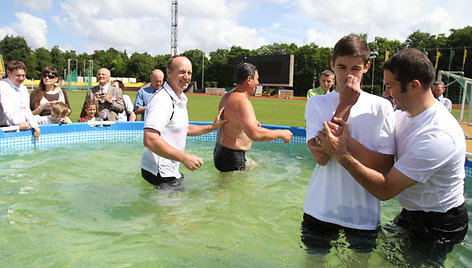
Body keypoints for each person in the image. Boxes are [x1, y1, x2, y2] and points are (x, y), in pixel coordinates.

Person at [318, 48, 468, 265]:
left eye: (390, 86)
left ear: (414, 86)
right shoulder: (403, 116)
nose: (387, 93)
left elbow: (385, 189)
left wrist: (342, 155)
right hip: (410, 212)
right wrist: (345, 138)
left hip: (439, 223)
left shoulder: (438, 135)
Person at [302, 34, 395, 254]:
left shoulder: (381, 106)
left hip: (363, 215)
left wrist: (343, 147)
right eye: (342, 68)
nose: (348, 75)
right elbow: (321, 158)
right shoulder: (317, 102)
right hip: (320, 208)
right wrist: (345, 104)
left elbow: (384, 167)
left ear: (366, 67)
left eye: (355, 68)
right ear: (332, 65)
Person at [141, 55, 227, 189]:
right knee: (174, 209)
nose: (186, 77)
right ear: (168, 73)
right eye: (181, 72)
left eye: (189, 73)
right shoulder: (163, 101)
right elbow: (150, 139)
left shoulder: (179, 97)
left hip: (167, 169)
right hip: (160, 172)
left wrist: (212, 127)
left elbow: (184, 129)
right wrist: (184, 157)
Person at [213, 62, 293, 172]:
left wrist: (251, 121)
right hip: (233, 157)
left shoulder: (228, 96)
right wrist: (282, 134)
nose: (258, 83)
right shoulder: (242, 102)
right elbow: (255, 134)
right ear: (249, 80)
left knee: (254, 167)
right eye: (257, 79)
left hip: (220, 151)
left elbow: (233, 119)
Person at [0, 60, 40, 139]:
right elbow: (7, 108)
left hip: (20, 128)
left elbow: (26, 110)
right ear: (8, 73)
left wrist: (34, 125)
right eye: (18, 75)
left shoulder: (23, 89)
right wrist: (18, 122)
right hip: (4, 129)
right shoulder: (2, 86)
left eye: (23, 75)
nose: (21, 78)